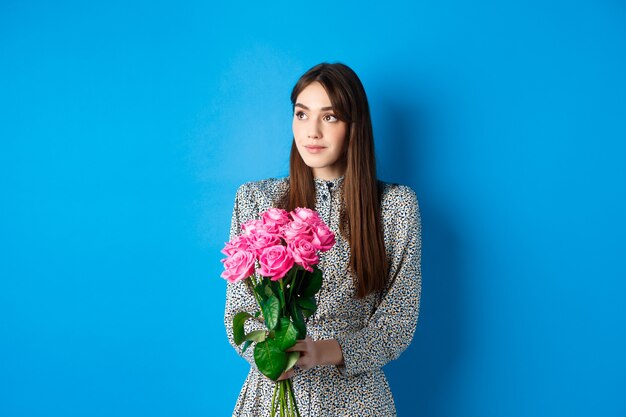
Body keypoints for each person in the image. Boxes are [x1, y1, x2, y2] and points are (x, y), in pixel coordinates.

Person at [224, 62, 422, 416]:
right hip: (272, 395)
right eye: (302, 114)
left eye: (329, 117)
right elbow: (240, 312)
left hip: (358, 401)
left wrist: (323, 351)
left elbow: (397, 323)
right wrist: (272, 356)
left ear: (354, 127)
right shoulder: (257, 201)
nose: (311, 131)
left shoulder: (395, 207)